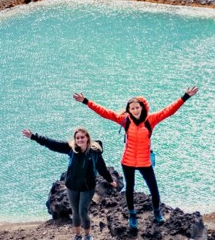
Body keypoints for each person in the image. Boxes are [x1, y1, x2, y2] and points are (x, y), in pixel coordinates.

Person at [73, 86, 198, 230]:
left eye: (137, 107)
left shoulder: (150, 120)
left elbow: (168, 111)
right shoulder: (125, 121)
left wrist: (185, 97)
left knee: (154, 189)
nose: (135, 110)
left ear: (142, 107)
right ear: (129, 110)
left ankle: (157, 212)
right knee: (130, 189)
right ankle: (132, 216)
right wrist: (86, 101)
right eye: (132, 108)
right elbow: (105, 113)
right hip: (128, 161)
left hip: (145, 161)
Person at [22, 127, 115, 240]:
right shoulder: (71, 149)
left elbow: (102, 168)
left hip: (88, 187)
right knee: (75, 212)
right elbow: (52, 144)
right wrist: (34, 137)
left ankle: (87, 235)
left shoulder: (94, 153)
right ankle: (77, 236)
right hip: (72, 186)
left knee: (83, 211)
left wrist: (110, 180)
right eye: (77, 138)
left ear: (87, 138)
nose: (80, 140)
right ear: (75, 139)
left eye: (82, 137)